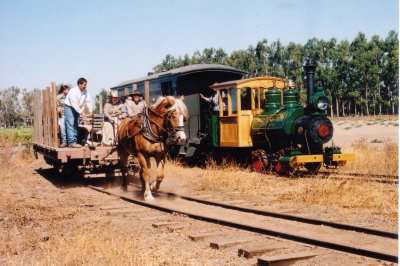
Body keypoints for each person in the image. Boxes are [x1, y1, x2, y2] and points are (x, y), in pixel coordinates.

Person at [63, 77, 93, 148]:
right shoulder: (73, 91)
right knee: (70, 123)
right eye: (84, 85)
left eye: (86, 84)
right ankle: (71, 142)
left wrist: (90, 111)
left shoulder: (85, 91)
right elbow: (74, 104)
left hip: (77, 108)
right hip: (69, 107)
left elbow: (88, 101)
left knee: (76, 123)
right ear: (79, 84)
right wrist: (81, 112)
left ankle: (75, 141)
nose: (85, 86)